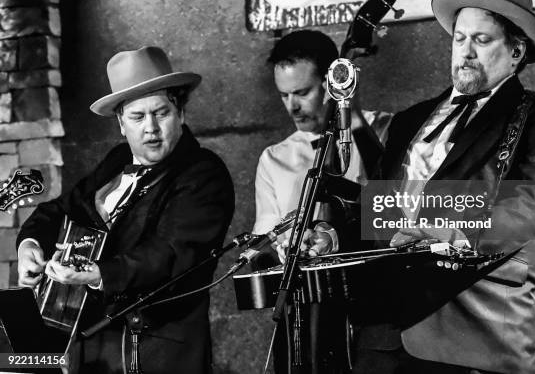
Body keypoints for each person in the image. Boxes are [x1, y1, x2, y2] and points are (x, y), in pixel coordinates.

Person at [351, 0, 535, 374]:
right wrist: (332, 231)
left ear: (516, 51)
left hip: (475, 334)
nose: (465, 51)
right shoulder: (409, 121)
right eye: (459, 39)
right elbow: (379, 210)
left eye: (482, 40)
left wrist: (453, 230)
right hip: (386, 337)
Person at [16, 46, 235, 374]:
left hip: (156, 352)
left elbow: (171, 254)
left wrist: (99, 273)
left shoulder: (204, 173)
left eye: (161, 113)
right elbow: (60, 210)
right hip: (93, 349)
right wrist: (30, 243)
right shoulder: (116, 162)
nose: (151, 128)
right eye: (137, 117)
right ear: (120, 123)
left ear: (181, 114)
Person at [253, 30, 392, 372]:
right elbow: (262, 245)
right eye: (284, 95)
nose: (293, 106)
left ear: (332, 82)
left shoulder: (385, 130)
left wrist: (352, 113)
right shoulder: (274, 158)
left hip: (375, 312)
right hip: (307, 318)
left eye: (302, 92)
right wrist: (280, 245)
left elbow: (396, 203)